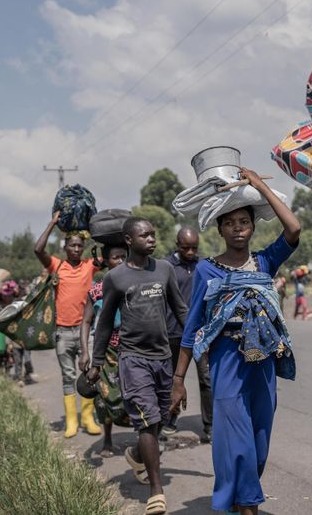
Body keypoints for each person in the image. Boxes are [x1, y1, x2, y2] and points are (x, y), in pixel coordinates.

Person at [170, 168, 301, 515]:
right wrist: (179, 380)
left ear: (253, 226)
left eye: (244, 221)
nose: (238, 228)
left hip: (263, 366)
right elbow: (193, 326)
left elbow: (293, 229)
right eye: (230, 223)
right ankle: (247, 506)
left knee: (258, 443)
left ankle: (243, 498)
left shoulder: (264, 262)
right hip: (226, 362)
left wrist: (259, 187)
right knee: (237, 443)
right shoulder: (206, 270)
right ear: (220, 229)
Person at [88, 217, 188, 515]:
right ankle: (156, 491)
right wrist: (95, 363)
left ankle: (136, 452)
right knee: (145, 420)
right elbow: (104, 323)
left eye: (154, 235)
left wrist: (202, 344)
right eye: (145, 235)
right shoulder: (116, 278)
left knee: (158, 419)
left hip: (163, 358)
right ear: (129, 240)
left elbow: (181, 310)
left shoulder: (164, 269)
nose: (152, 239)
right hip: (132, 358)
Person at [35, 211, 100, 439]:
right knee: (68, 376)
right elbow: (38, 249)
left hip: (85, 332)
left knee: (90, 374)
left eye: (79, 246)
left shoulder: (90, 266)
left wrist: (94, 228)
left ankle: (88, 417)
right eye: (72, 246)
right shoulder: (57, 266)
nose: (75, 249)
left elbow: (109, 253)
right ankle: (71, 421)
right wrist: (52, 223)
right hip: (62, 332)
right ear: (65, 248)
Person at [161, 227, 213, 441]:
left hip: (200, 334)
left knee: (207, 380)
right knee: (173, 379)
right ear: (177, 245)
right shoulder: (165, 267)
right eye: (186, 248)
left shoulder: (203, 266)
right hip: (173, 332)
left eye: (194, 248)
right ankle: (170, 420)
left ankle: (210, 426)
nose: (191, 252)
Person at [78, 242, 128, 458]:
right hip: (106, 350)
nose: (121, 261)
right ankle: (107, 440)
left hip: (132, 348)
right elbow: (86, 321)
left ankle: (144, 442)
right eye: (117, 257)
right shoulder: (97, 289)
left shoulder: (135, 283)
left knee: (135, 394)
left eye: (125, 256)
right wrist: (85, 351)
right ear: (106, 261)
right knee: (104, 396)